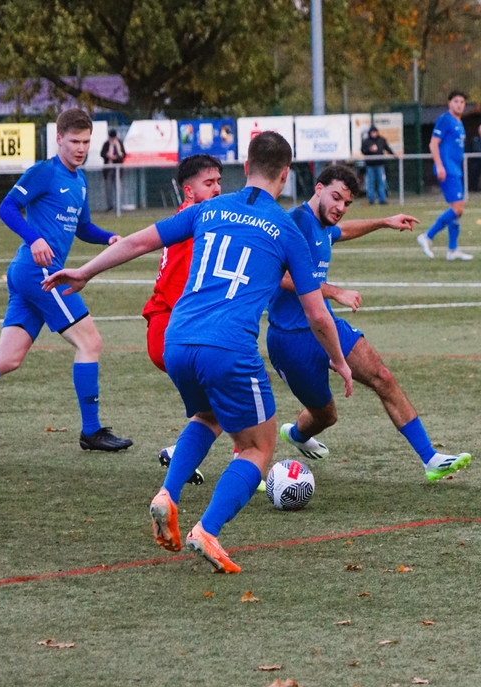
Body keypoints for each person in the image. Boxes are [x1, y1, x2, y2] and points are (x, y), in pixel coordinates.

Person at [42, 131, 354, 573]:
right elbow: (318, 316)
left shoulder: (208, 207)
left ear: (244, 169)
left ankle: (167, 494)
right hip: (228, 346)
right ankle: (206, 529)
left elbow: (138, 242)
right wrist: (339, 361)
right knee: (258, 448)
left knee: (206, 417)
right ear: (286, 175)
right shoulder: (287, 229)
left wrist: (85, 272)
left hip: (178, 339)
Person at [0, 108, 133, 452]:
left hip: (29, 275)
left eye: (86, 142)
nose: (80, 148)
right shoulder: (45, 173)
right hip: (39, 274)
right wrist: (34, 238)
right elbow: (6, 207)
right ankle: (91, 432)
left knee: (8, 357)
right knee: (90, 342)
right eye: (74, 141)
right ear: (59, 139)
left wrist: (108, 238)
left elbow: (83, 227)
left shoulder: (78, 181)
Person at [268, 164, 472, 482]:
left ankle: (431, 458)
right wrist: (335, 291)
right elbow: (280, 276)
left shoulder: (323, 224)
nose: (340, 208)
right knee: (326, 414)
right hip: (290, 338)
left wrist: (384, 222)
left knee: (382, 376)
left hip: (323, 325)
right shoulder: (296, 222)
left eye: (347, 204)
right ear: (318, 189)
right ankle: (296, 433)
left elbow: (342, 232)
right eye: (336, 198)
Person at [142, 153, 224, 483]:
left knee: (215, 407)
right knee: (233, 392)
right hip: (170, 329)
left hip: (171, 327)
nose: (217, 189)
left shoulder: (192, 218)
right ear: (188, 191)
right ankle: (249, 466)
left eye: (219, 181)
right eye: (209, 183)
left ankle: (180, 454)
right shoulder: (194, 220)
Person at [416, 90, 473, 262]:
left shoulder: (459, 123)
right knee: (457, 209)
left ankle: (453, 250)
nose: (459, 104)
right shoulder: (445, 119)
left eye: (462, 102)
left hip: (455, 168)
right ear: (449, 103)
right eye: (456, 101)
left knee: (458, 211)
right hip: (447, 169)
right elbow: (433, 143)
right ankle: (427, 236)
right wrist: (440, 165)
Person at [360, 126, 394, 205]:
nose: (374, 134)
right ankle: (371, 199)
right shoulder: (366, 141)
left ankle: (382, 199)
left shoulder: (381, 140)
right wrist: (369, 150)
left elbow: (387, 148)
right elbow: (363, 151)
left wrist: (393, 154)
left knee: (381, 182)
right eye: (372, 132)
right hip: (370, 165)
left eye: (375, 132)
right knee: (370, 183)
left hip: (380, 164)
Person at [100, 128, 126, 212]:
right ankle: (110, 206)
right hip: (108, 169)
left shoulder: (119, 143)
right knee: (108, 188)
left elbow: (123, 154)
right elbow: (102, 153)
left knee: (118, 188)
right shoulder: (106, 144)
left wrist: (116, 157)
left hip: (117, 170)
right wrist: (108, 155)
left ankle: (118, 206)